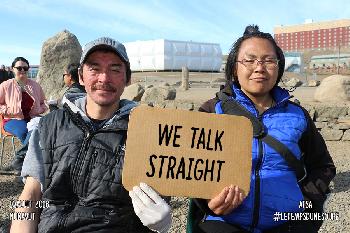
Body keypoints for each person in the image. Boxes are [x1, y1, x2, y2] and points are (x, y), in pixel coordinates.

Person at [10, 37, 172, 233]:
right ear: (80, 76)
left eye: (115, 69)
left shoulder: (147, 133)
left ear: (127, 78)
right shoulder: (48, 125)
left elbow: (156, 200)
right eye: (94, 68)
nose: (104, 78)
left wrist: (161, 224)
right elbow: (30, 195)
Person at [189, 25, 336, 233]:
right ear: (234, 68)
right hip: (226, 222)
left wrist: (305, 202)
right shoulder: (212, 111)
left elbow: (323, 166)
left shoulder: (298, 115)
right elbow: (190, 166)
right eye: (249, 60)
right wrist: (207, 201)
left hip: (288, 223)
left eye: (268, 60)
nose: (259, 67)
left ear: (279, 67)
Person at [0, 57, 47, 172]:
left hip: (32, 118)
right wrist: (8, 110)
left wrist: (39, 110)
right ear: (12, 69)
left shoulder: (35, 85)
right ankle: (33, 165)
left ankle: (19, 160)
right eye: (19, 68)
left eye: (25, 68)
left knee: (48, 128)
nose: (22, 70)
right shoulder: (5, 85)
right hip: (12, 119)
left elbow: (43, 103)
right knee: (25, 132)